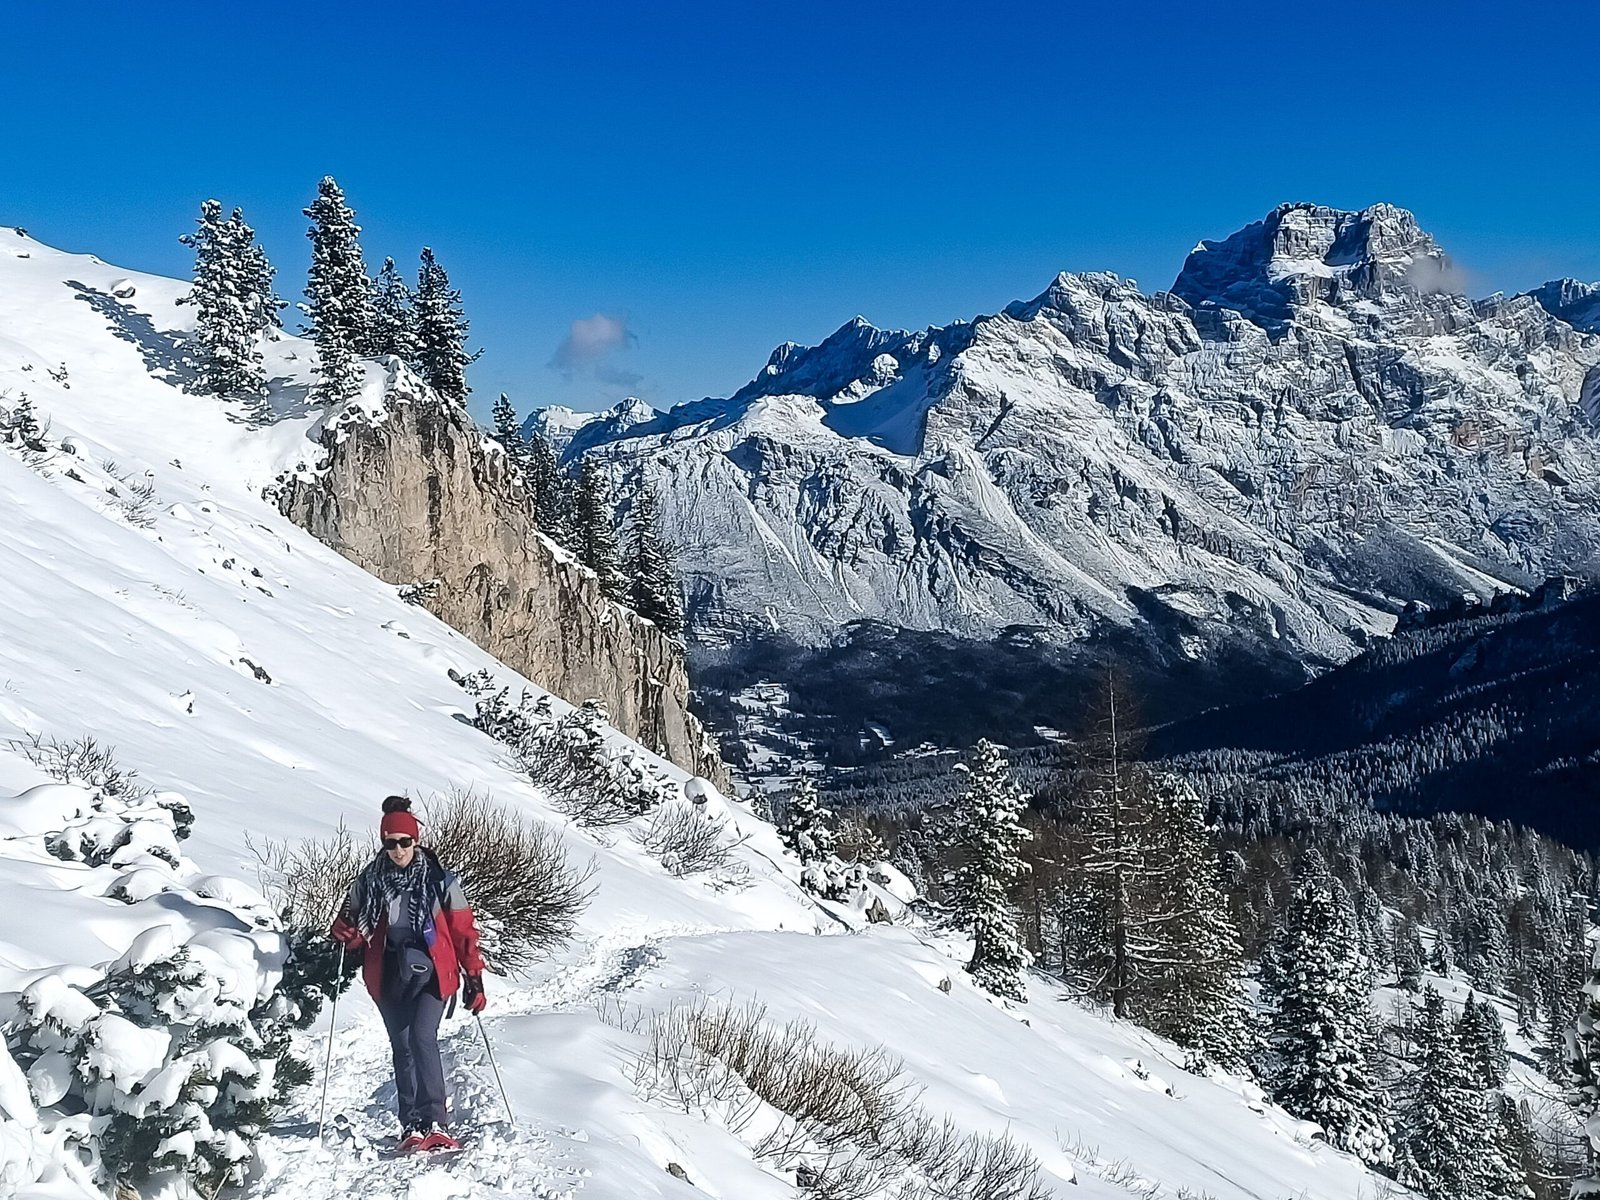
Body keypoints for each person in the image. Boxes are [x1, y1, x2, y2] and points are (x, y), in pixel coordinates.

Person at [331, 795, 487, 1151]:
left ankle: (436, 1120)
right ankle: (411, 1124)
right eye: (391, 843)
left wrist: (474, 977)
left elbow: (464, 932)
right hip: (388, 974)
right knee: (401, 1047)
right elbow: (351, 929)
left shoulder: (440, 881)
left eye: (405, 842)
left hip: (435, 973)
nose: (398, 850)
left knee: (421, 1037)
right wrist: (343, 931)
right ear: (383, 843)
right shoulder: (367, 882)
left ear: (416, 841)